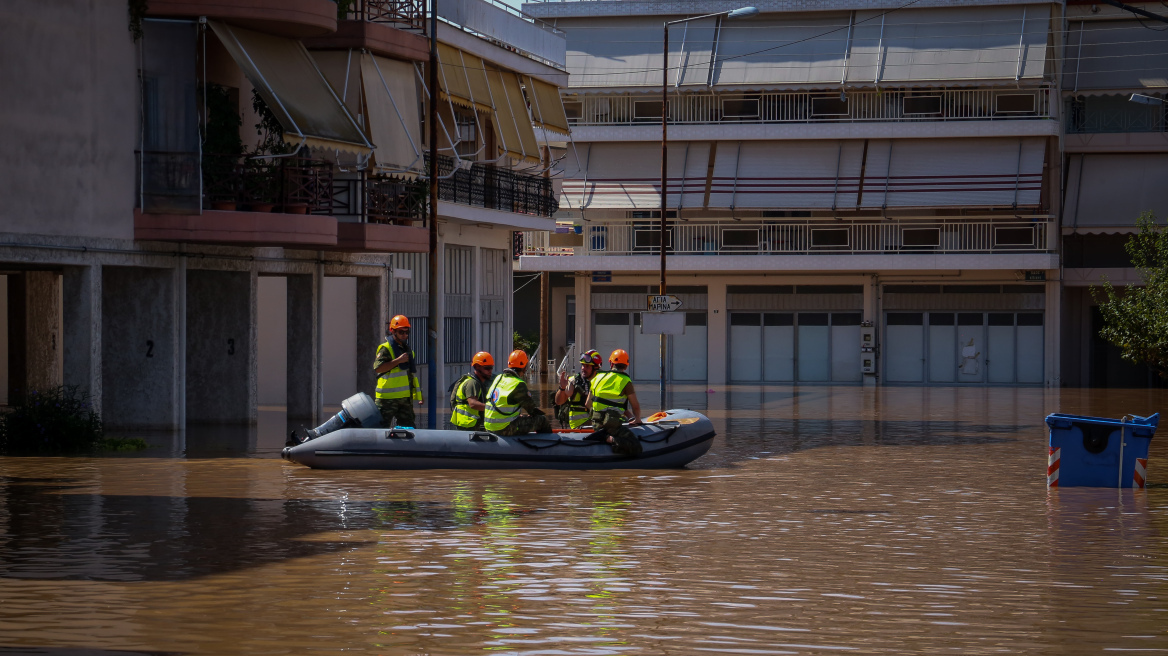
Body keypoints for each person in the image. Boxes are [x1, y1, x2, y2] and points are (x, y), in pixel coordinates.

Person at [585, 349, 643, 456]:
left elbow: (587, 404)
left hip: (596, 424)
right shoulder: (625, 381)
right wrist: (638, 419)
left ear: (611, 363)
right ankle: (608, 439)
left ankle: (602, 434)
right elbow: (635, 406)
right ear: (626, 366)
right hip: (612, 426)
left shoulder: (597, 377)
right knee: (636, 446)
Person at [484, 350, 553, 436]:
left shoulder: (498, 378)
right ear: (524, 368)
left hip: (488, 426)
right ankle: (550, 444)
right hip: (503, 428)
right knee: (542, 420)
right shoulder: (518, 384)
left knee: (523, 417)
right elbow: (531, 409)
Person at [374, 315, 423, 427]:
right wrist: (397, 361)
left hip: (405, 398)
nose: (405, 335)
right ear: (393, 331)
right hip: (386, 399)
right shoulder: (385, 348)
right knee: (381, 428)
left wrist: (419, 395)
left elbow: (411, 375)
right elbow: (378, 368)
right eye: (401, 332)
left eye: (407, 332)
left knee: (409, 428)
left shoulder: (408, 350)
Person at [555, 349, 602, 429]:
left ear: (595, 368)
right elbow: (559, 402)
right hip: (579, 426)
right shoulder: (573, 381)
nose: (583, 368)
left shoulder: (601, 381)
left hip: (596, 422)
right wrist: (562, 388)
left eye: (587, 366)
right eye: (583, 365)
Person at [450, 352, 494, 430]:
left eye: (491, 368)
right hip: (468, 424)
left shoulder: (478, 383)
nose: (490, 371)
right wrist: (494, 408)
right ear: (477, 367)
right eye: (487, 368)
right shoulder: (472, 383)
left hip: (470, 423)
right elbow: (473, 404)